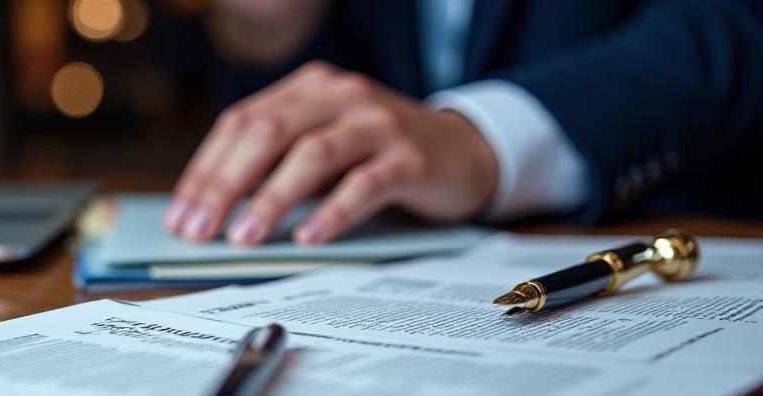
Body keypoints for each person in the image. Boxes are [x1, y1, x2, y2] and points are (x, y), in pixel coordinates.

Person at [163, 0, 763, 246]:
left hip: (685, 231)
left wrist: (481, 137)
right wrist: (271, 25)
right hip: (407, 261)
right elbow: (340, 97)